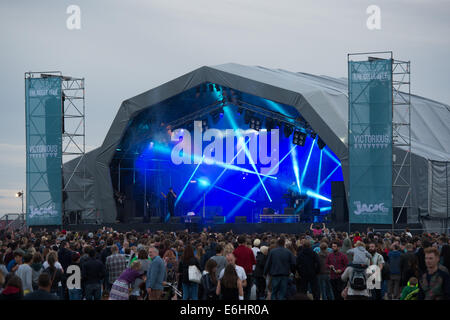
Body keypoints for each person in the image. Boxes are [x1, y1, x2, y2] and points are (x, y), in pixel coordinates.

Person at [233, 235, 256, 300]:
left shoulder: (235, 252)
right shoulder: (249, 251)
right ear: (245, 242)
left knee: (239, 291)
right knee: (248, 291)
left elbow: (233, 263)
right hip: (248, 273)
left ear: (238, 242)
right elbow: (254, 262)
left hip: (238, 275)